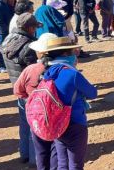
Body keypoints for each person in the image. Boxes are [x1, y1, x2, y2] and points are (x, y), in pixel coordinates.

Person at [41, 37, 97, 170]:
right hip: (75, 123)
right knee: (76, 164)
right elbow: (93, 94)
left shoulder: (47, 72)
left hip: (55, 123)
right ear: (66, 54)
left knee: (62, 162)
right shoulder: (72, 73)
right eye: (73, 52)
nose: (75, 54)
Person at [13, 33, 59, 170]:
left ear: (40, 52)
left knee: (28, 129)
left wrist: (29, 99)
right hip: (51, 110)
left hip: (30, 105)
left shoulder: (30, 69)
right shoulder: (61, 69)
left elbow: (17, 90)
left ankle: (26, 155)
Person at [0, 13, 40, 165]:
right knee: (34, 124)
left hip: (17, 86)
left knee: (24, 123)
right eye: (35, 27)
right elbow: (34, 71)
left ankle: (24, 153)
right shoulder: (29, 47)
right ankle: (35, 160)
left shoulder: (8, 39)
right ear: (29, 28)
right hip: (30, 90)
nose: (36, 30)